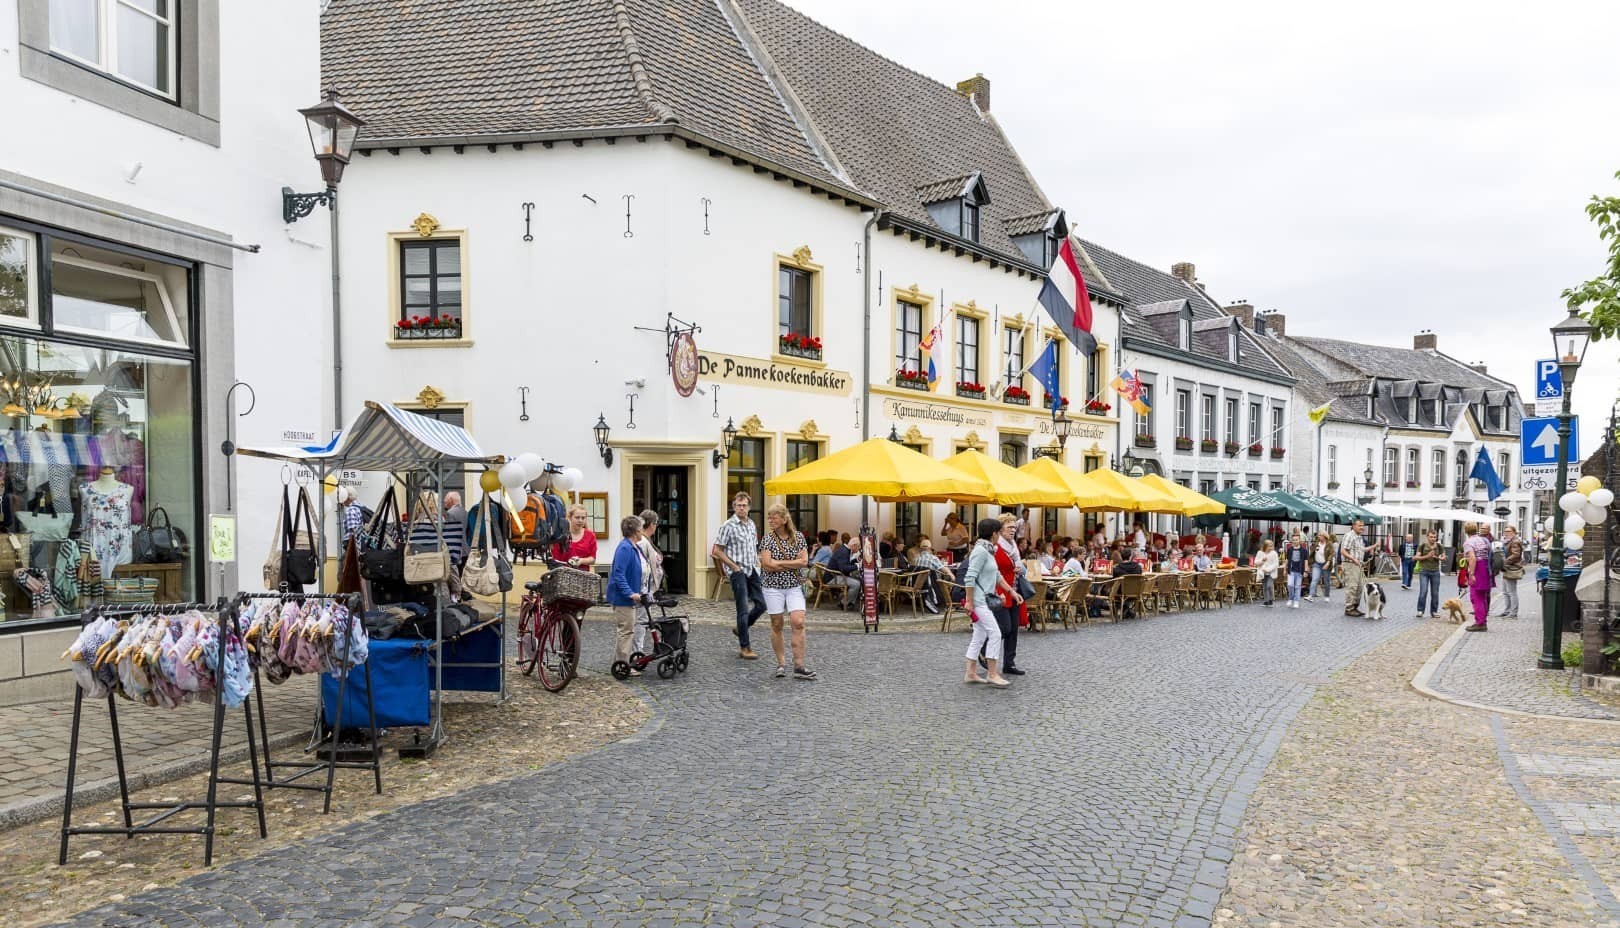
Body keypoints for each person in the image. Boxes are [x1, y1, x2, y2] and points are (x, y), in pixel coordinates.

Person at [758, 504, 815, 680]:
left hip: (794, 586)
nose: (770, 521)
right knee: (777, 624)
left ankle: (799, 665)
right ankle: (781, 663)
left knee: (798, 621)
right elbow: (767, 565)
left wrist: (780, 563)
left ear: (784, 519)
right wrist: (792, 562)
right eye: (769, 517)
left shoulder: (798, 537)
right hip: (772, 587)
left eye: (774, 517)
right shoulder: (767, 539)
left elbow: (804, 561)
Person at [712, 493, 768, 659]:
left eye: (744, 505)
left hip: (753, 570)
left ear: (749, 507)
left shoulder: (751, 524)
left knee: (762, 605)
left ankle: (741, 627)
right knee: (742, 609)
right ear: (733, 506)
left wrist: (758, 562)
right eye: (738, 505)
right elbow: (717, 551)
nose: (741, 508)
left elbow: (753, 547)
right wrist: (733, 567)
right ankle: (745, 648)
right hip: (738, 572)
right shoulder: (728, 526)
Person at [962, 518, 1013, 688]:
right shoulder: (981, 551)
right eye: (999, 532)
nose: (999, 535)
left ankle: (970, 672)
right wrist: (969, 602)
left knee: (979, 635)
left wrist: (1011, 591)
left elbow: (996, 575)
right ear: (994, 534)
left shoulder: (988, 550)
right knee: (995, 633)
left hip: (982, 599)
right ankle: (992, 673)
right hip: (979, 601)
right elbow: (969, 577)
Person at [606, 515, 647, 676]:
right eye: (640, 529)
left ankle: (620, 662)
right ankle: (623, 666)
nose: (642, 532)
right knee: (626, 631)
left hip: (628, 597)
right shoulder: (625, 548)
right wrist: (630, 593)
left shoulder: (631, 546)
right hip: (623, 598)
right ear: (635, 531)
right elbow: (618, 574)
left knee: (626, 630)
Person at [990, 513, 1027, 674]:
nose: (1012, 530)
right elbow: (992, 571)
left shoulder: (1014, 547)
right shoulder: (996, 547)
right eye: (1009, 527)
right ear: (1000, 529)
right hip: (1001, 591)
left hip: (1015, 590)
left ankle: (1009, 663)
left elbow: (1020, 567)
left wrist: (1021, 568)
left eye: (1014, 527)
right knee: (1004, 628)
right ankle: (985, 649)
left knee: (1014, 629)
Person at [1461, 521, 1492, 632]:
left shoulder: (1468, 543)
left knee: (1476, 597)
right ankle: (1483, 621)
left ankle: (1479, 622)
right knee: (1482, 596)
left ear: (1466, 531)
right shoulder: (1482, 540)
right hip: (1485, 567)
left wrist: (1472, 573)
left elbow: (1472, 558)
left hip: (1477, 568)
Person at [551, 503, 598, 571]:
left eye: (583, 518)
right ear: (570, 518)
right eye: (577, 517)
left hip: (583, 576)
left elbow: (593, 559)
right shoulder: (561, 535)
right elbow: (555, 559)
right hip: (563, 575)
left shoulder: (590, 536)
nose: (580, 520)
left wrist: (581, 561)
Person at [1340, 519, 1368, 617]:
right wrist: (1353, 559)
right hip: (1350, 564)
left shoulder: (1359, 537)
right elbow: (1343, 551)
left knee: (1360, 587)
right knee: (1352, 586)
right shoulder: (1349, 536)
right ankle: (1349, 608)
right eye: (1360, 525)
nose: (1362, 527)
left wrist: (1361, 561)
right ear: (1354, 526)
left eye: (1363, 525)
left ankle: (1355, 607)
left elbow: (1360, 550)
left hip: (1358, 564)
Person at [826, 535, 863, 609]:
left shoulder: (845, 550)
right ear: (854, 545)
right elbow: (844, 568)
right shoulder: (844, 552)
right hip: (832, 577)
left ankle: (849, 602)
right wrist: (858, 566)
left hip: (836, 575)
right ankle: (843, 603)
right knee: (856, 584)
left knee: (858, 580)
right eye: (858, 547)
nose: (858, 550)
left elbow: (845, 564)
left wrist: (856, 561)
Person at [1415, 529, 1442, 618]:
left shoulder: (1439, 546)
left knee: (1435, 593)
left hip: (1435, 572)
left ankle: (1434, 611)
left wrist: (1437, 557)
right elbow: (1416, 557)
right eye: (1431, 537)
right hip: (1424, 571)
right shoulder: (1422, 546)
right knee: (1423, 591)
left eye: (1434, 537)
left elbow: (1444, 557)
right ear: (1427, 537)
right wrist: (1427, 556)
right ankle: (1420, 610)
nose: (1433, 539)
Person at [1499, 525, 1524, 618]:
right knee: (1505, 591)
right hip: (1507, 568)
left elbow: (1516, 555)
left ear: (1514, 532)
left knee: (1512, 591)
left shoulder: (1515, 542)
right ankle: (1507, 610)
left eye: (1509, 531)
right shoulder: (1507, 542)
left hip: (1512, 568)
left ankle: (1513, 613)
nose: (1506, 533)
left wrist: (1504, 562)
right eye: (1505, 531)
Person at [441, 491, 469, 569]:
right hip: (465, 550)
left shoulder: (449, 513)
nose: (444, 502)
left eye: (445, 500)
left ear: (451, 500)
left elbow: (448, 534)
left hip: (455, 552)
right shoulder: (465, 512)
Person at [1283, 531, 1308, 609]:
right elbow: (1287, 560)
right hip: (1291, 570)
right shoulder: (1290, 549)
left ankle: (1296, 601)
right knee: (1290, 585)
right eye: (1293, 540)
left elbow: (1306, 561)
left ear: (1299, 540)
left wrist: (1306, 571)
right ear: (1292, 541)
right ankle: (1291, 599)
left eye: (1296, 540)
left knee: (1297, 586)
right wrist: (1284, 569)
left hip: (1300, 571)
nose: (1295, 541)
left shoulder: (1304, 550)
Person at [1256, 539, 1279, 606]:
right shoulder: (1260, 553)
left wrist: (1268, 569)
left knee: (1269, 585)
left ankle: (1271, 599)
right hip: (1262, 573)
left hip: (1271, 573)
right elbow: (1256, 562)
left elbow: (1276, 564)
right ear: (1265, 546)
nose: (1271, 548)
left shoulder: (1274, 553)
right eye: (1269, 546)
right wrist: (1262, 560)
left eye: (1271, 546)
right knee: (1265, 587)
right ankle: (1266, 601)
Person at [1308, 532, 1329, 601]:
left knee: (1326, 581)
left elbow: (1332, 554)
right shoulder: (1316, 544)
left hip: (1325, 564)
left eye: (1320, 535)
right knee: (1314, 579)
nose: (1319, 536)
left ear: (1324, 537)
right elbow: (1311, 553)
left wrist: (1328, 563)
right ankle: (1310, 595)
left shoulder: (1329, 545)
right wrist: (1310, 564)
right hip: (1316, 564)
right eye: (1318, 535)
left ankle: (1326, 596)